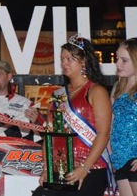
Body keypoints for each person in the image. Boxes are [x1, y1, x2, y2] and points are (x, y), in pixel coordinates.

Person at [34, 34, 115, 196]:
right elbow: (50, 135)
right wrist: (46, 169)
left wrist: (84, 168)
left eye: (69, 59)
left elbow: (104, 133)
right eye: (62, 59)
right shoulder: (58, 95)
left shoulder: (95, 91)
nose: (64, 63)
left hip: (92, 168)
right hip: (61, 169)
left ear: (83, 61)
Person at [110, 38, 137, 196]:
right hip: (120, 159)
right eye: (117, 58)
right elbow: (111, 122)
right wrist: (111, 153)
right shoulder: (117, 88)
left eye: (124, 60)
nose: (118, 64)